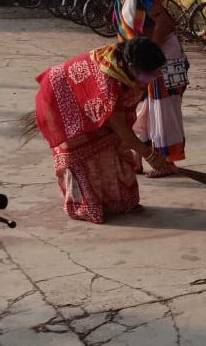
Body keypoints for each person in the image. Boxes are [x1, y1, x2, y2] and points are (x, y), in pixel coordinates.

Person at [35, 38, 176, 223]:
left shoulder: (126, 65)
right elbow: (119, 127)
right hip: (63, 101)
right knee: (83, 153)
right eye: (152, 72)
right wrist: (150, 155)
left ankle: (119, 202)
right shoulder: (108, 81)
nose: (156, 75)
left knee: (112, 147)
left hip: (91, 99)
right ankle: (85, 204)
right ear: (132, 66)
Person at [94, 0, 189, 177]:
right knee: (140, 108)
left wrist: (147, 53)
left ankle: (165, 161)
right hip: (141, 64)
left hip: (161, 59)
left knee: (162, 108)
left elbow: (165, 23)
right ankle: (138, 160)